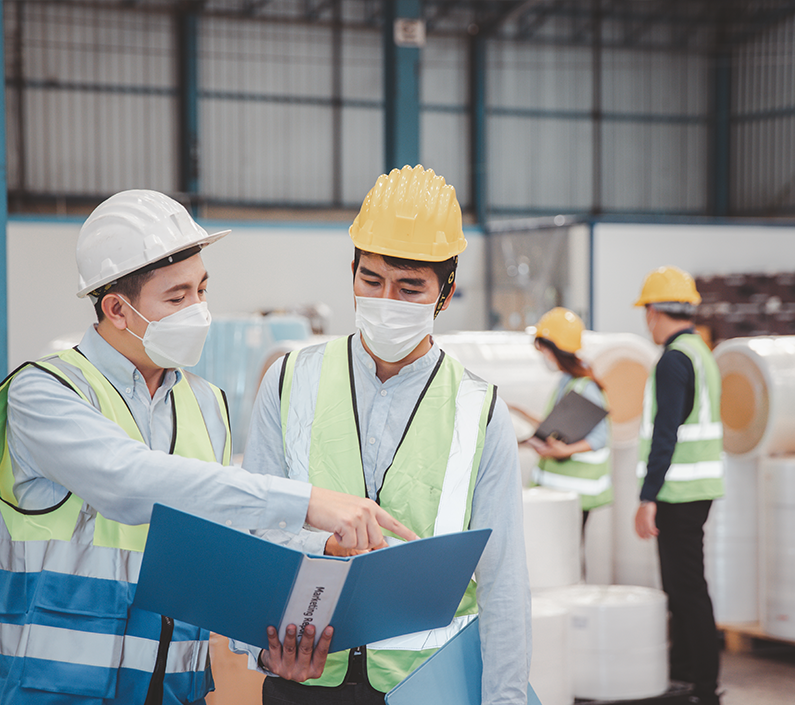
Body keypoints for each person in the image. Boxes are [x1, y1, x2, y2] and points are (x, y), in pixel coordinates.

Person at [0, 189, 415, 705]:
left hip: (176, 691)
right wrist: (308, 502)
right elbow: (128, 482)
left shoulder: (206, 404)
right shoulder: (44, 393)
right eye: (176, 298)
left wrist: (270, 646)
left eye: (201, 290)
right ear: (116, 309)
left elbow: (227, 552)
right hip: (57, 688)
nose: (198, 310)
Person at [242, 165, 532, 705]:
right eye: (370, 281)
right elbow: (253, 531)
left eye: (410, 287)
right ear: (350, 271)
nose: (386, 301)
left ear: (444, 295)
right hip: (302, 680)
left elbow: (503, 579)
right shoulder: (288, 380)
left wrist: (507, 698)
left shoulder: (479, 408)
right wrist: (260, 651)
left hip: (425, 686)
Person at [633, 265, 724, 705]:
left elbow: (665, 432)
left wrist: (647, 498)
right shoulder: (700, 351)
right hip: (696, 491)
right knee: (686, 588)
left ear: (654, 312)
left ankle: (703, 688)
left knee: (686, 591)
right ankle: (688, 677)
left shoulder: (673, 359)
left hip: (678, 495)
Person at [523, 307, 612, 530]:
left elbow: (601, 436)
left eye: (544, 351)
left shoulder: (585, 387)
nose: (543, 357)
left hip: (576, 492)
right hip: (560, 491)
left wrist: (564, 451)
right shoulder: (567, 381)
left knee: (567, 556)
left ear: (556, 350)